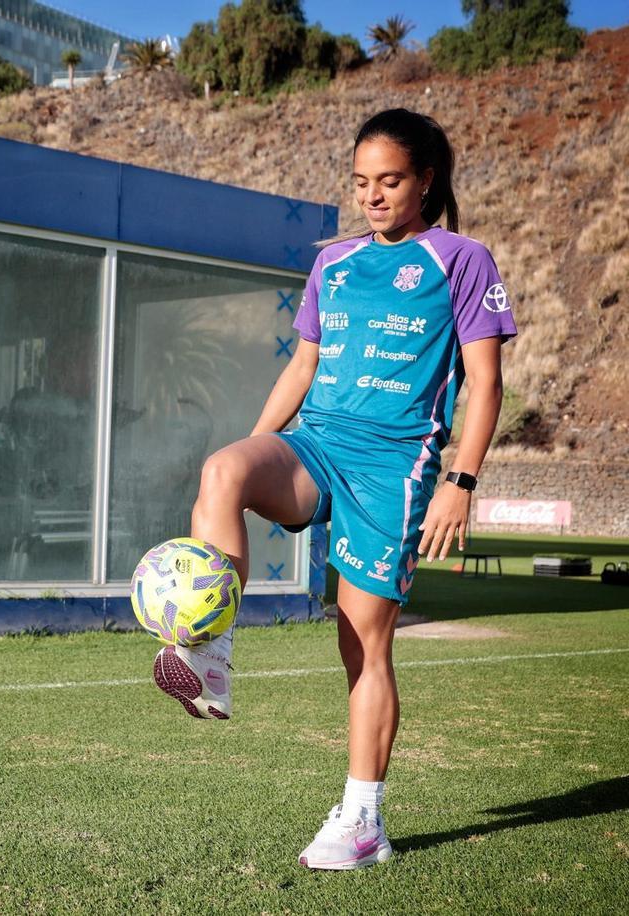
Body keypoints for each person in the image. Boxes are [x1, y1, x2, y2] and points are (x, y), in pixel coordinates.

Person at [151, 108, 517, 869]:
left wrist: (460, 482)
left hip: (397, 466)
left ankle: (363, 819)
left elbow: (485, 386)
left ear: (426, 181)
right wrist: (261, 443)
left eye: (390, 181)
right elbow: (301, 366)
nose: (374, 196)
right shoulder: (333, 265)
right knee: (223, 470)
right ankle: (211, 652)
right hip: (317, 443)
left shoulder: (462, 259)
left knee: (362, 644)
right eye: (361, 183)